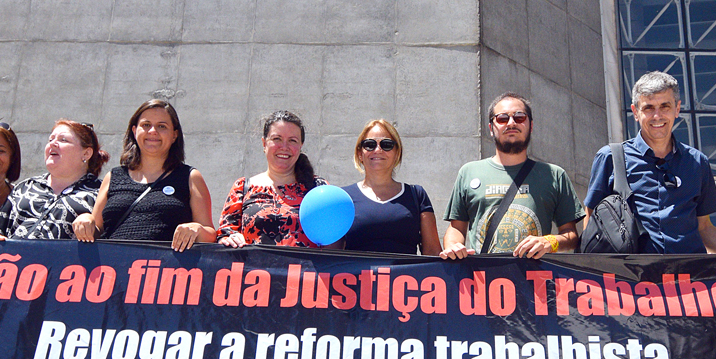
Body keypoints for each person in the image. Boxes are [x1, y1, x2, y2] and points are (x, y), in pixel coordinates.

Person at [585, 71, 716, 254]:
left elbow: (705, 229)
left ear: (677, 109)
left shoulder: (697, 162)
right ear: (635, 112)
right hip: (632, 271)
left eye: (665, 106)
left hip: (687, 270)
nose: (657, 116)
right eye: (648, 108)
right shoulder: (611, 158)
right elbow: (593, 224)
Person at [441, 93, 582, 259]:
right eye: (502, 118)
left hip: (534, 274)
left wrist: (549, 242)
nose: (511, 123)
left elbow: (571, 236)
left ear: (531, 125)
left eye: (519, 117)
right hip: (482, 273)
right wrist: (453, 246)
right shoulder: (469, 172)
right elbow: (456, 228)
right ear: (491, 128)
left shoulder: (554, 175)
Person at [74, 100, 216, 251]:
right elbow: (96, 230)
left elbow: (211, 235)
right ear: (134, 131)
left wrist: (197, 229)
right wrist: (86, 220)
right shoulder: (113, 177)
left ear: (174, 135)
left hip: (165, 264)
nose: (153, 131)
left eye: (162, 126)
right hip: (114, 264)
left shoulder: (190, 177)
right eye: (146, 125)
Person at [0, 120, 106, 246]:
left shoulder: (100, 192)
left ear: (86, 153)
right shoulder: (26, 186)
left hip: (63, 273)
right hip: (14, 270)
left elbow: (108, 240)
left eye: (63, 140)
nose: (53, 143)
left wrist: (91, 223)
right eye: (50, 139)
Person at [218, 111, 327, 247]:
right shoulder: (242, 188)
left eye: (292, 141)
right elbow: (224, 235)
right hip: (254, 262)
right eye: (277, 139)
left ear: (301, 146)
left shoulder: (319, 188)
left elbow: (334, 242)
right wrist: (230, 239)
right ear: (264, 143)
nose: (284, 147)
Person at [341, 119, 441, 255]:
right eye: (369, 145)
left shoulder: (417, 195)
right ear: (360, 153)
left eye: (386, 145)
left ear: (397, 153)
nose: (378, 150)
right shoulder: (343, 198)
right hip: (355, 270)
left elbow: (433, 252)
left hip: (406, 270)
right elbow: (332, 255)